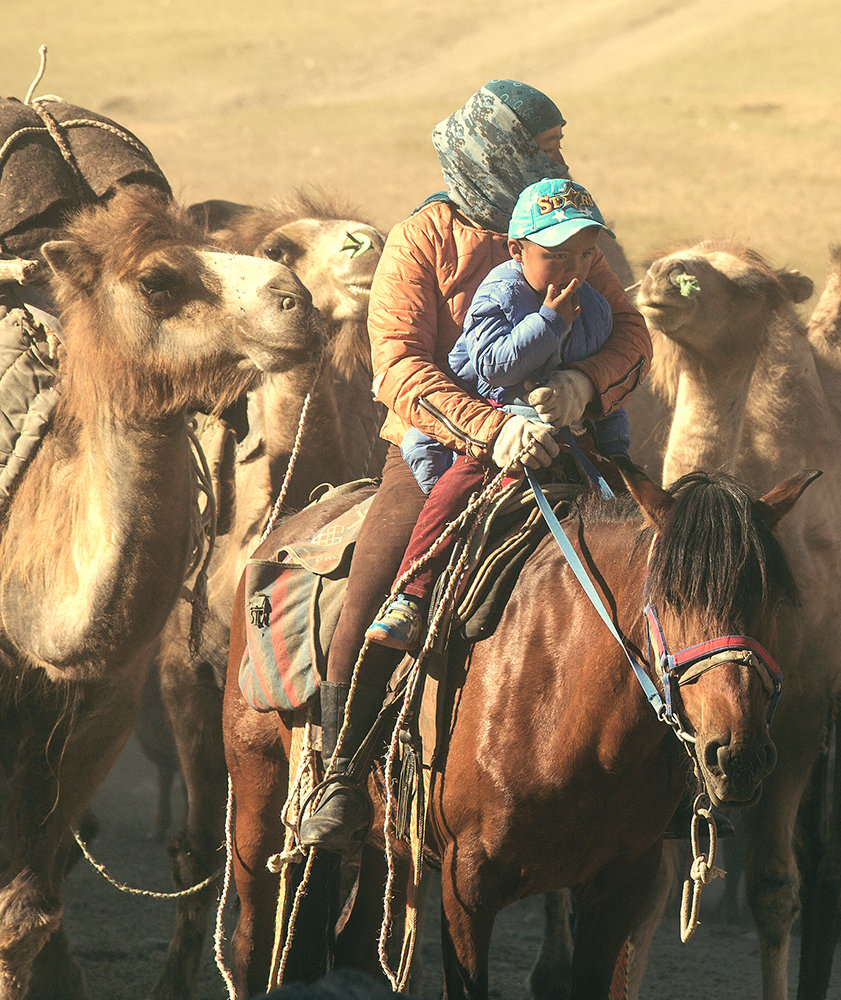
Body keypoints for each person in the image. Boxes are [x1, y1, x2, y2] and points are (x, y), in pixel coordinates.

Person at [298, 79, 651, 855]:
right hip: (439, 453)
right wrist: (489, 430)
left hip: (572, 440)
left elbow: (630, 334)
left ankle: (669, 772)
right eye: (545, 146)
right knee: (370, 591)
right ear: (497, 149)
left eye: (557, 146)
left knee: (674, 562)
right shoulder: (422, 236)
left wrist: (585, 384)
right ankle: (340, 773)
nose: (557, 158)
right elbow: (396, 363)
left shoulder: (573, 230)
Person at [365, 176, 631, 650]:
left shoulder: (592, 299)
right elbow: (492, 365)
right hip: (479, 420)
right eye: (559, 256)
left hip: (565, 433)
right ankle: (409, 595)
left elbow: (624, 349)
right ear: (516, 250)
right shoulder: (492, 289)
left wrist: (590, 395)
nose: (575, 268)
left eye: (586, 255)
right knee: (455, 493)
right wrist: (548, 326)